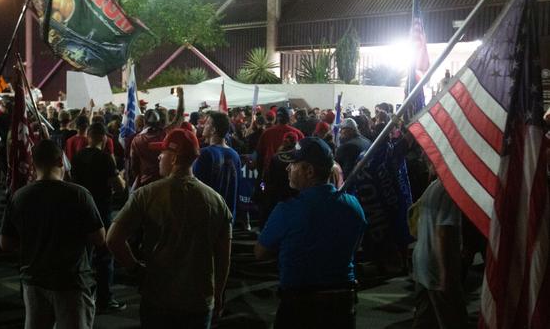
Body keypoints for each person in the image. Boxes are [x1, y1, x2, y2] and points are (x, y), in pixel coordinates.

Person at [107, 129, 232, 329]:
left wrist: (136, 269)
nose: (158, 156)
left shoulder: (146, 195)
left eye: (162, 152)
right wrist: (217, 296)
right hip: (199, 302)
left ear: (173, 158)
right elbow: (223, 257)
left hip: (158, 298)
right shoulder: (217, 201)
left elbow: (113, 239)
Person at [255, 137, 367, 329]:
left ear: (309, 171)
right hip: (342, 302)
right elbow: (356, 244)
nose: (288, 169)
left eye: (293, 164)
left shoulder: (287, 210)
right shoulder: (353, 205)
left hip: (300, 305)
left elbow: (261, 252)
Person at [0, 139, 105, 329]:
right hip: (71, 281)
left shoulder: (19, 196)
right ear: (60, 162)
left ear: (33, 163)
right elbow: (99, 238)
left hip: (34, 280)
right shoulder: (79, 194)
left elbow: (6, 243)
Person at [71, 123, 126, 312]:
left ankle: (82, 296)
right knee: (104, 256)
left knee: (83, 255)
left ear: (88, 137)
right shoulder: (105, 158)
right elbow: (119, 187)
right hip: (101, 210)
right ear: (103, 138)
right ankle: (105, 298)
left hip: (80, 211)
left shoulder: (77, 157)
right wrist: (122, 178)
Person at [411, 176, 467, 329]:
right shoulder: (450, 191)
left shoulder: (434, 186)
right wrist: (445, 274)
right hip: (437, 264)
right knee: (453, 319)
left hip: (422, 260)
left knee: (424, 319)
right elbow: (443, 232)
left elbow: (414, 218)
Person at [193, 111, 242, 220]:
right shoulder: (235, 155)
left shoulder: (205, 154)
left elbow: (196, 188)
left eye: (207, 123)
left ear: (214, 130)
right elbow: (237, 188)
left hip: (209, 216)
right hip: (228, 217)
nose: (204, 126)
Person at [129, 109, 166, 189]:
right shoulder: (167, 136)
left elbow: (134, 165)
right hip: (165, 181)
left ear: (145, 122)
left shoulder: (136, 140)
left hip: (145, 182)